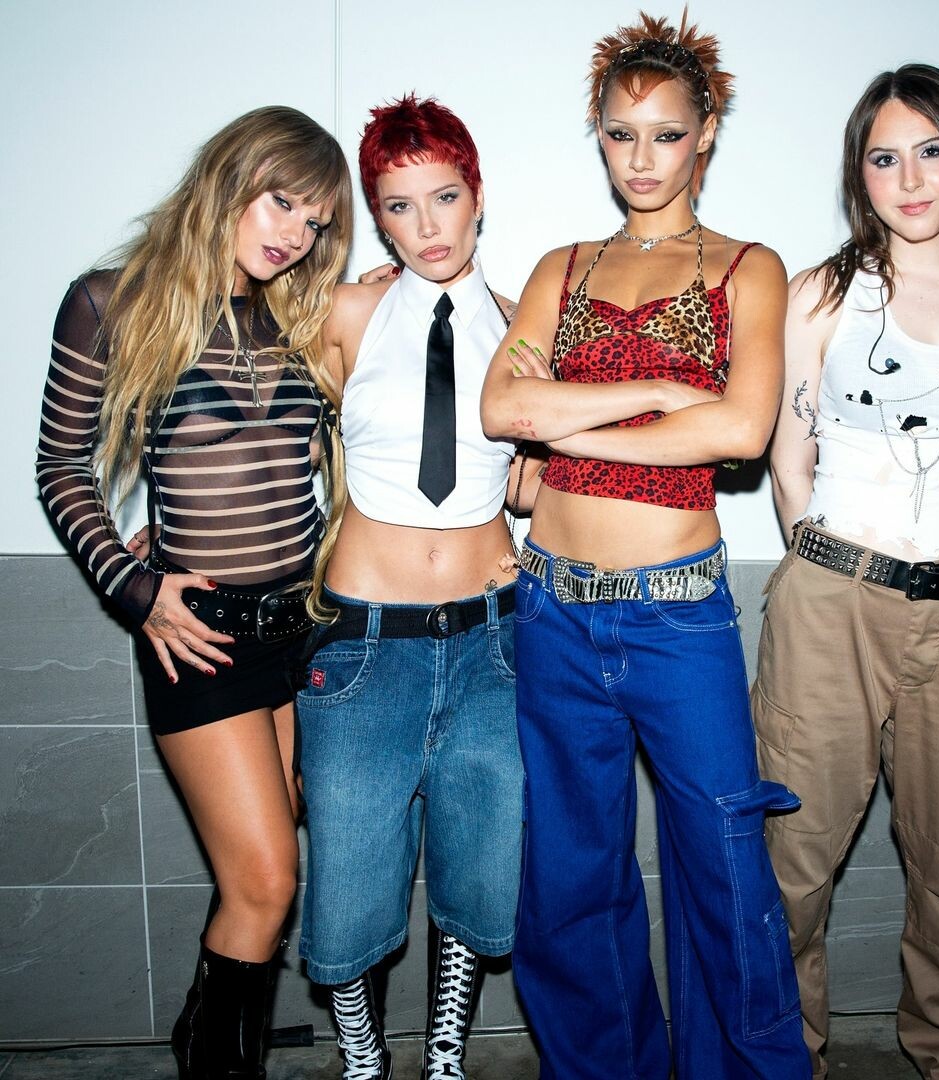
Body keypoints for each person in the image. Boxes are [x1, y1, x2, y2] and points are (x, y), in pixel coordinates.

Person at [480, 12, 810, 1079]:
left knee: (725, 867)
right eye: (621, 135)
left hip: (677, 615)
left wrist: (567, 424)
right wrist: (662, 389)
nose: (642, 158)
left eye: (666, 134)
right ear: (599, 135)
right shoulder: (561, 267)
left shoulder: (752, 268)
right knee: (569, 876)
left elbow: (740, 431)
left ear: (704, 133)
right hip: (552, 610)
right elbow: (502, 407)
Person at [752, 64, 939, 1079]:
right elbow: (789, 467)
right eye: (885, 158)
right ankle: (784, 1059)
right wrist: (830, 578)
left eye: (932, 150)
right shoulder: (821, 295)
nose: (911, 178)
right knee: (793, 862)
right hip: (832, 603)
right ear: (861, 175)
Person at [35, 106, 353, 1079]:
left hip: (301, 626)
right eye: (282, 201)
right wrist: (135, 588)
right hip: (201, 635)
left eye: (315, 221)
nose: (295, 233)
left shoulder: (297, 318)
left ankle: (204, 1033)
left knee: (271, 869)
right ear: (229, 177)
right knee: (265, 880)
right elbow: (60, 466)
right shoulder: (112, 302)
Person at [295, 95, 535, 1080]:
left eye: (444, 197)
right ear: (377, 217)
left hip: (492, 641)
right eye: (399, 205)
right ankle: (362, 1054)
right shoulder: (348, 312)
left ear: (477, 196)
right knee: (348, 874)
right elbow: (266, 428)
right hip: (365, 645)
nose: (427, 225)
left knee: (479, 869)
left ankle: (445, 1051)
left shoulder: (522, 327)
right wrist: (168, 518)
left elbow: (537, 480)